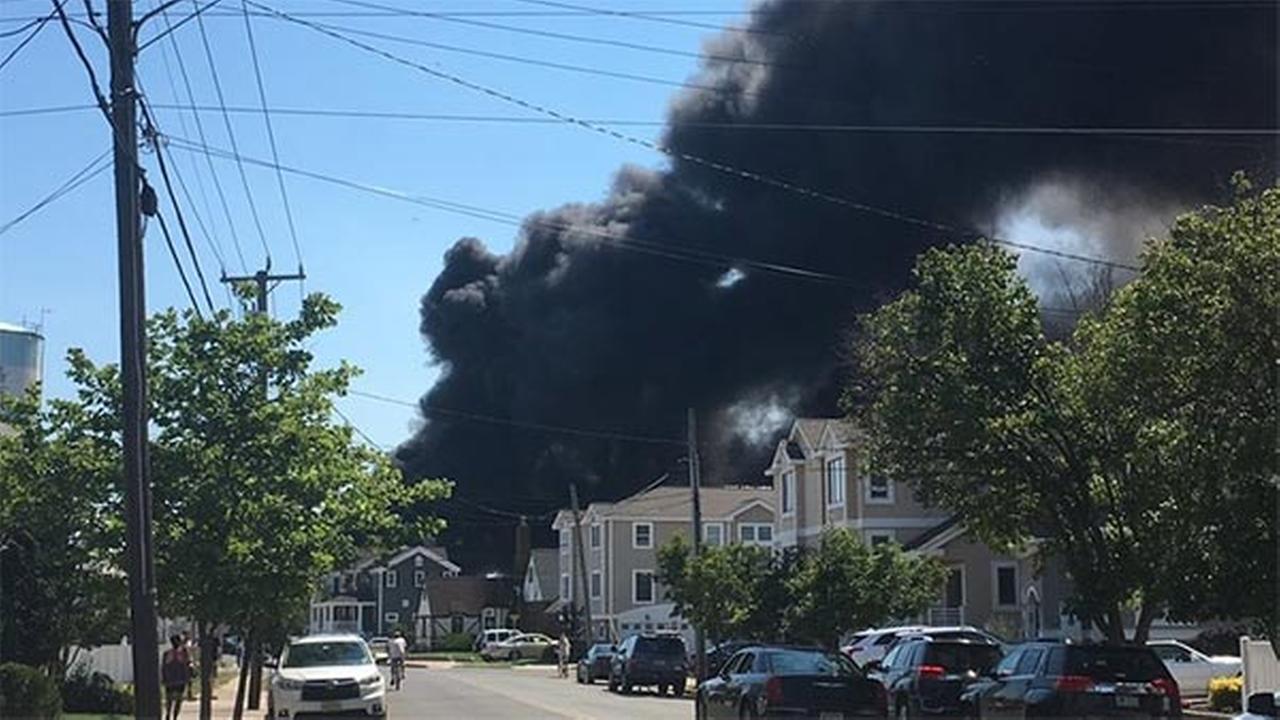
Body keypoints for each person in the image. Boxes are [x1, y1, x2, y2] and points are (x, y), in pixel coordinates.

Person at [162, 634, 192, 720]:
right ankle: (172, 716)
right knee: (176, 700)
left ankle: (170, 715)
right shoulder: (182, 653)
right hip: (178, 680)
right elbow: (187, 666)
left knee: (170, 699)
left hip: (172, 680)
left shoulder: (168, 654)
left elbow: (163, 667)